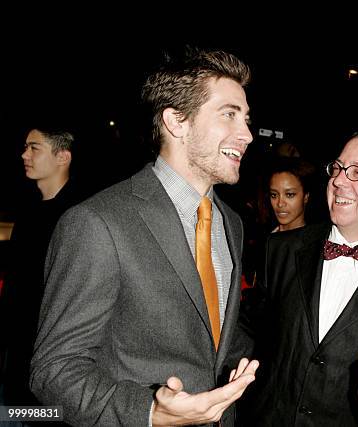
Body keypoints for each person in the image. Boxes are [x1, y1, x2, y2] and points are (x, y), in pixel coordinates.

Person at [30, 48, 258, 426]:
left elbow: (212, 340)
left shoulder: (230, 223)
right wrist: (149, 412)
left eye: (246, 118)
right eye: (229, 114)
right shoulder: (97, 222)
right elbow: (54, 371)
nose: (247, 134)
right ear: (177, 121)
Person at [243, 129, 358, 426]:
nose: (339, 180)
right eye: (337, 168)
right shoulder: (280, 250)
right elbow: (249, 335)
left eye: (357, 172)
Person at [0, 126, 82, 413]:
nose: (24, 154)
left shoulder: (79, 218)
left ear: (63, 157)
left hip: (51, 373)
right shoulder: (29, 212)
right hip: (17, 366)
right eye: (25, 147)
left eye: (34, 148)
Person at [268, 157, 315, 233]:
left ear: (306, 196)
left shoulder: (316, 241)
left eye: (289, 195)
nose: (280, 204)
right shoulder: (266, 240)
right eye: (274, 195)